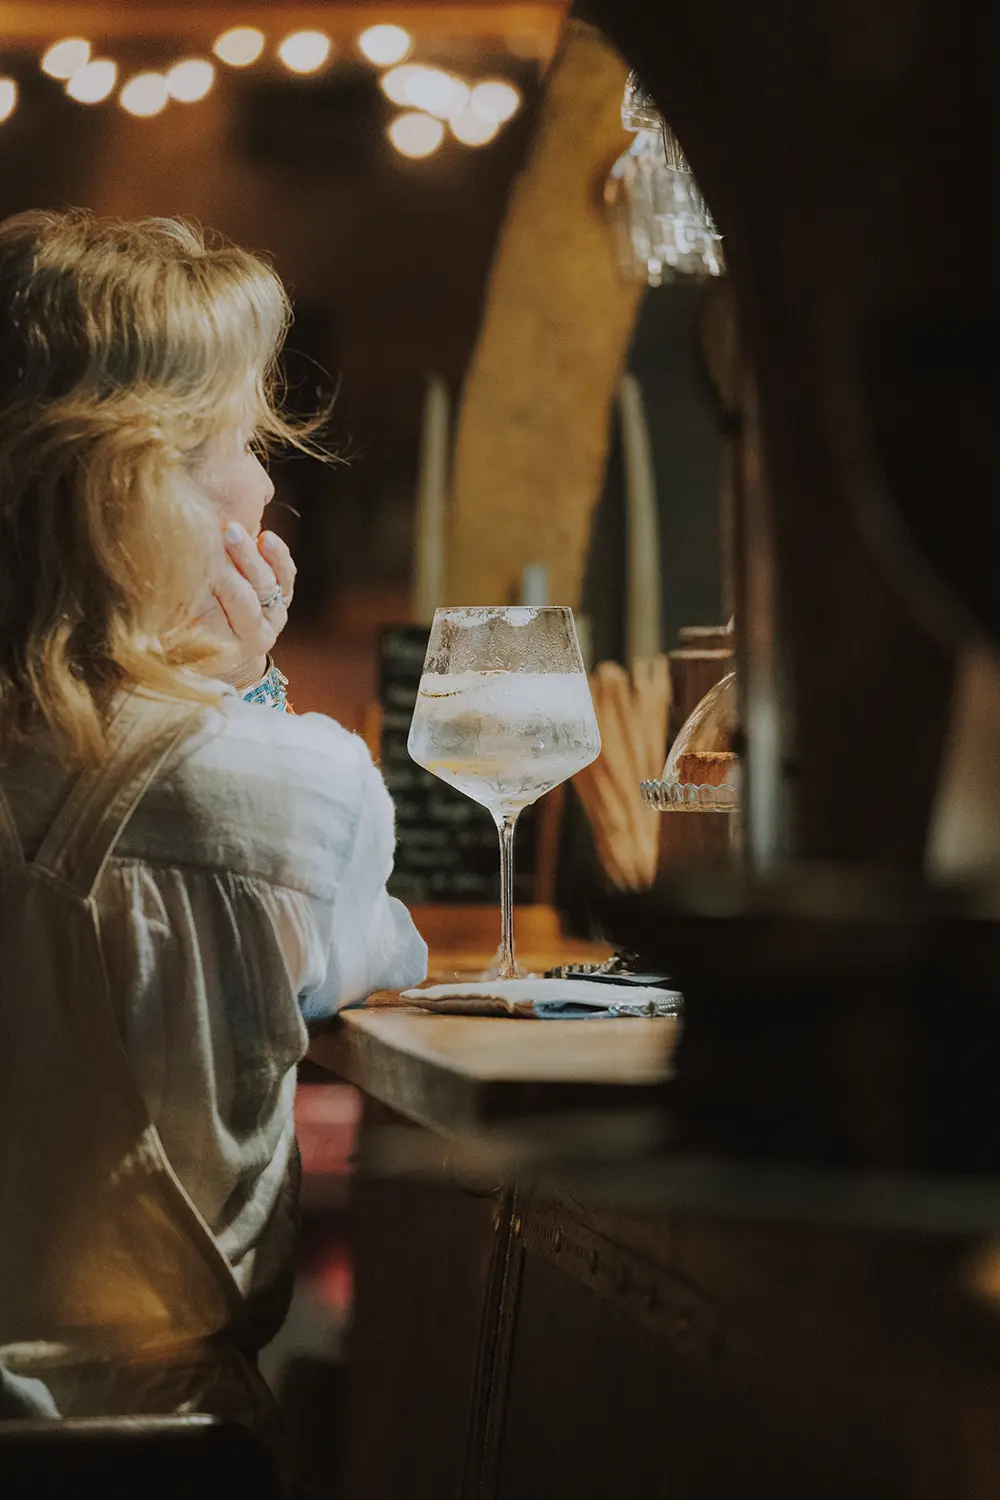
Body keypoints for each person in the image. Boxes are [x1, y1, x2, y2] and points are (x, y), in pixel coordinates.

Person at [0, 211, 427, 1451]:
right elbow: (376, 962)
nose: (269, 483)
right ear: (145, 490)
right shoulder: (288, 780)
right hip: (139, 1453)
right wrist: (237, 696)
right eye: (243, 440)